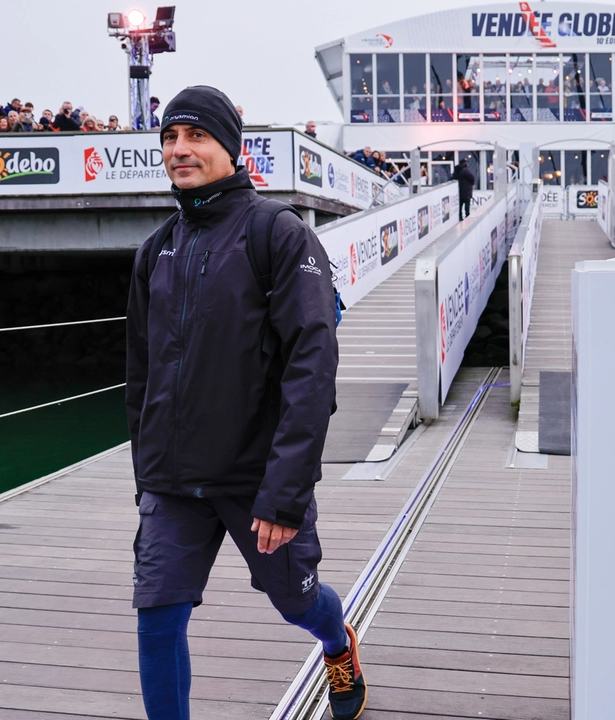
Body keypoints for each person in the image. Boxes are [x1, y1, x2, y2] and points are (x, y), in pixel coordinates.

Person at [126, 85, 366, 720]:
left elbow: (312, 371)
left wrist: (286, 493)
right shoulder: (155, 250)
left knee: (298, 603)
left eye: (196, 136)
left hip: (256, 479)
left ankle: (337, 640)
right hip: (172, 482)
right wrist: (145, 473)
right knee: (157, 620)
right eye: (170, 138)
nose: (180, 150)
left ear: (230, 147)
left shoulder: (277, 235)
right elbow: (140, 377)